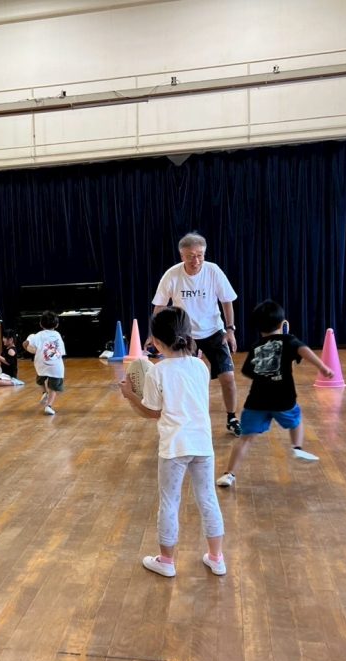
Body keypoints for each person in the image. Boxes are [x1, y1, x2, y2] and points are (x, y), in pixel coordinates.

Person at [119, 307, 226, 577]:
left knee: (169, 502)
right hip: (202, 444)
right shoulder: (201, 366)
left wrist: (130, 395)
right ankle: (216, 558)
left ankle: (166, 562)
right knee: (208, 498)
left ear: (155, 341)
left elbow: (153, 412)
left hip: (174, 447)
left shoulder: (157, 372)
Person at [216, 300, 333, 488]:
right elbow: (303, 350)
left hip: (257, 401)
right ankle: (297, 447)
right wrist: (322, 367)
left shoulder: (256, 346)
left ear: (258, 327)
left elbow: (248, 371)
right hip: (283, 400)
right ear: (281, 323)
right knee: (296, 420)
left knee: (245, 438)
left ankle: (229, 474)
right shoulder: (289, 340)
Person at [151, 231, 242, 436]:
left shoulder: (213, 271)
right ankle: (184, 419)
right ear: (182, 255)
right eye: (191, 256)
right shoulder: (172, 275)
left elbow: (227, 300)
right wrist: (154, 334)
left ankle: (232, 418)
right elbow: (160, 306)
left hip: (214, 331)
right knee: (184, 381)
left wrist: (230, 329)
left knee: (228, 377)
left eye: (200, 255)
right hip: (184, 335)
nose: (196, 261)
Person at [24, 311, 66, 415]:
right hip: (55, 366)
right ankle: (48, 406)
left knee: (40, 378)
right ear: (57, 324)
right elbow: (61, 351)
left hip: (41, 364)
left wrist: (28, 347)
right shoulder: (57, 335)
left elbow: (26, 344)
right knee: (53, 387)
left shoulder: (38, 335)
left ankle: (44, 392)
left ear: (40, 324)